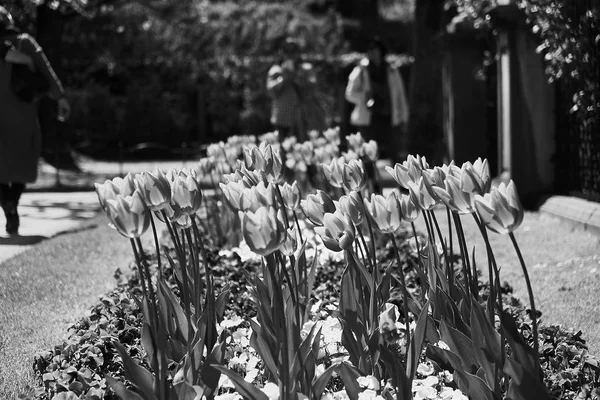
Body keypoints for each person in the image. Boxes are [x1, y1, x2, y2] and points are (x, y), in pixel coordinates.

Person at [0, 6, 70, 235]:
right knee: (22, 161)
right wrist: (60, 98)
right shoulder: (25, 42)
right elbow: (46, 70)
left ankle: (7, 203)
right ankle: (12, 202)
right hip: (22, 112)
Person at [345, 37, 409, 162]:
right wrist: (365, 97)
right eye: (370, 50)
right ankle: (370, 181)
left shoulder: (392, 70)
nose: (373, 53)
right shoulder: (361, 71)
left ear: (381, 51)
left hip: (389, 118)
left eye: (375, 50)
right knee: (367, 155)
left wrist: (404, 118)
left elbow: (400, 95)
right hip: (369, 119)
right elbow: (349, 93)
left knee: (394, 152)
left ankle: (398, 180)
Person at [266, 37, 325, 141]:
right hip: (282, 117)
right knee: (283, 148)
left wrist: (297, 77)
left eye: (293, 51)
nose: (290, 54)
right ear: (281, 52)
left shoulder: (306, 69)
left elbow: (312, 86)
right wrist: (283, 79)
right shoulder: (275, 71)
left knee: (304, 145)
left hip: (304, 117)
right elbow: (271, 92)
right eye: (286, 51)